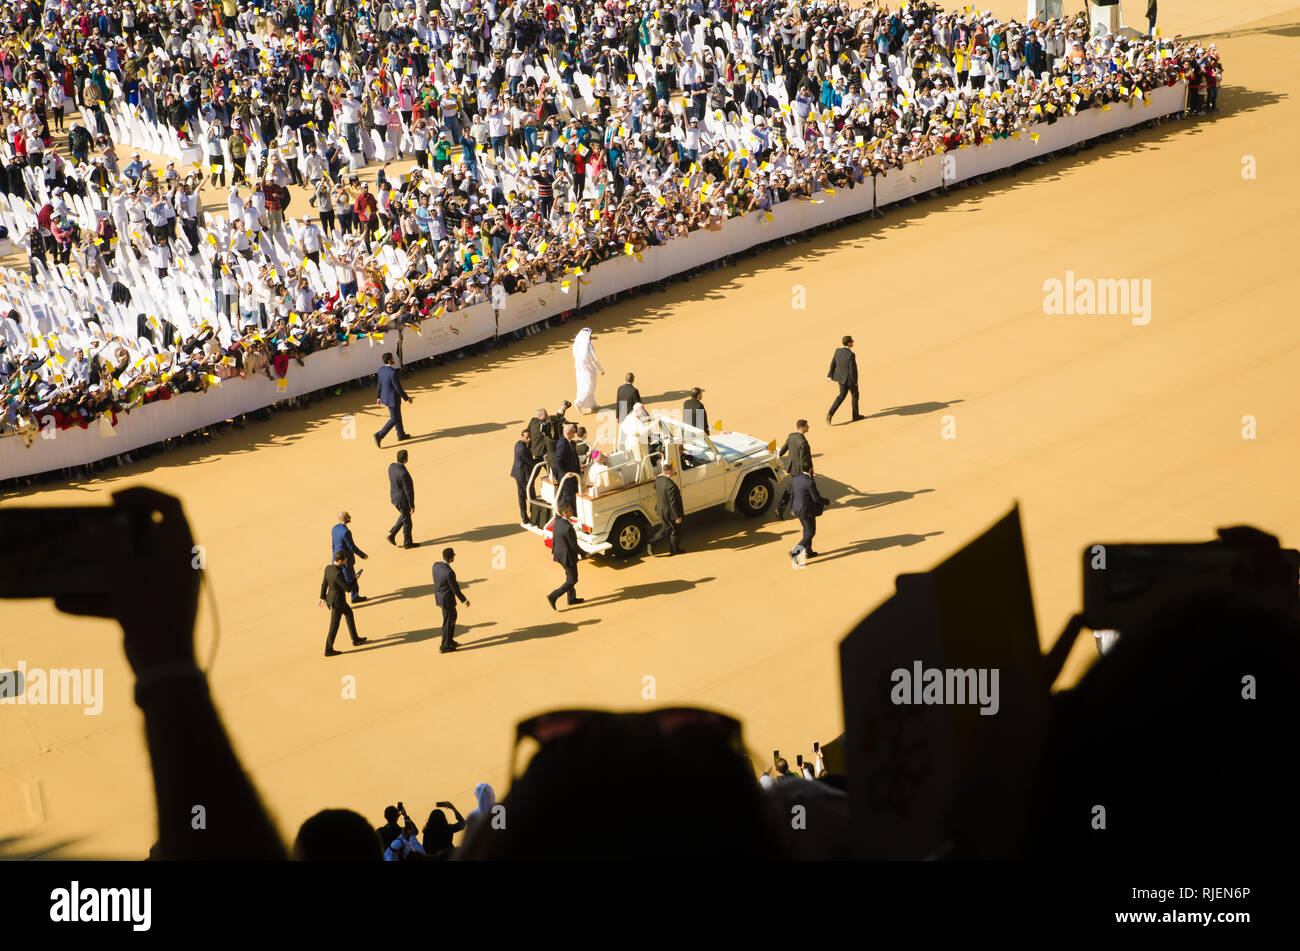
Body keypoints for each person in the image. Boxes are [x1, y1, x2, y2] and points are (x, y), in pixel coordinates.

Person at [319, 551, 368, 656]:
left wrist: (322, 597)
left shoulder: (328, 568)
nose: (346, 561)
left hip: (332, 599)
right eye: (345, 560)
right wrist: (354, 579)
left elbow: (324, 584)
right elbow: (348, 589)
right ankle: (328, 649)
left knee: (349, 614)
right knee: (334, 625)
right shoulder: (338, 573)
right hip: (338, 602)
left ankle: (355, 639)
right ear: (340, 561)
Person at [432, 547, 469, 653]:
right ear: (451, 557)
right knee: (448, 622)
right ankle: (444, 646)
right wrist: (465, 600)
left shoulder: (435, 565)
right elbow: (455, 589)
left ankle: (449, 640)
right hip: (447, 600)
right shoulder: (449, 572)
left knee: (452, 618)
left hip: (440, 597)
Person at [547, 504, 584, 610]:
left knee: (569, 576)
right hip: (567, 557)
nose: (572, 512)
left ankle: (571, 598)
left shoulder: (558, 523)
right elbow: (573, 545)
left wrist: (553, 552)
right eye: (569, 511)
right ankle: (553, 596)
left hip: (559, 555)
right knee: (573, 579)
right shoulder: (568, 527)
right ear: (564, 513)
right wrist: (584, 553)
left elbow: (554, 539)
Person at [790, 461, 827, 563]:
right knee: (811, 532)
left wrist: (792, 508)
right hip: (807, 511)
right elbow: (816, 498)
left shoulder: (796, 478)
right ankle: (796, 551)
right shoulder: (809, 482)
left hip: (798, 509)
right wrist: (826, 501)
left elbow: (792, 495)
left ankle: (808, 551)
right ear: (810, 469)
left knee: (806, 530)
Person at [374, 352, 414, 445]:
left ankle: (401, 435)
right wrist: (407, 398)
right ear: (389, 360)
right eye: (392, 358)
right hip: (393, 399)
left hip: (386, 397)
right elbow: (398, 388)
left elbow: (380, 384)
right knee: (394, 418)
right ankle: (379, 435)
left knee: (397, 416)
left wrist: (378, 397)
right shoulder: (393, 372)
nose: (393, 359)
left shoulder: (381, 370)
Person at [775, 420, 812, 520]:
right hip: (800, 471)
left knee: (793, 489)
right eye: (807, 426)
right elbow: (804, 459)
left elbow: (783, 449)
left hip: (792, 468)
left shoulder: (791, 436)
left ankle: (782, 509)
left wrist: (777, 457)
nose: (808, 427)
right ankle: (782, 509)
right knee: (803, 489)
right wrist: (807, 472)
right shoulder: (803, 442)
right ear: (802, 427)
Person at [330, 511, 369, 603]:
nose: (350, 517)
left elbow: (333, 544)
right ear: (345, 519)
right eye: (348, 516)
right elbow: (351, 547)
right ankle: (354, 597)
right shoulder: (346, 532)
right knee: (352, 580)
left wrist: (334, 555)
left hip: (336, 558)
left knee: (339, 579)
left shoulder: (334, 528)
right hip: (345, 561)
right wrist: (363, 555)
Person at [648, 461, 685, 556]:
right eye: (673, 471)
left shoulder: (658, 480)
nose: (674, 472)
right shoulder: (671, 486)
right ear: (668, 472)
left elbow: (655, 486)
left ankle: (672, 548)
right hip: (670, 512)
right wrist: (677, 516)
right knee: (673, 530)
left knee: (668, 529)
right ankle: (673, 549)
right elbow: (673, 503)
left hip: (661, 510)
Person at [826, 335, 863, 424]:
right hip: (850, 380)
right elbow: (852, 370)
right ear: (849, 343)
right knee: (855, 395)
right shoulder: (851, 354)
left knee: (841, 396)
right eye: (852, 341)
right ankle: (855, 416)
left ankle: (830, 414)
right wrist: (855, 381)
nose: (853, 342)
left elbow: (833, 363)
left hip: (841, 379)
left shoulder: (837, 351)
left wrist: (830, 374)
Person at [387, 449, 417, 548]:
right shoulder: (404, 473)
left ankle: (393, 533)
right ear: (405, 459)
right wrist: (411, 505)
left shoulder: (391, 467)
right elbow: (408, 491)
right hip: (402, 500)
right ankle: (407, 543)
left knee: (405, 515)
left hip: (394, 496)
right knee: (407, 522)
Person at [572, 327, 604, 413]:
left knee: (582, 385)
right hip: (589, 368)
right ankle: (579, 402)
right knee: (589, 387)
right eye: (590, 335)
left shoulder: (576, 344)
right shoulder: (588, 346)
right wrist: (601, 369)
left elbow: (575, 355)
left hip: (579, 368)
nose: (591, 337)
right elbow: (594, 360)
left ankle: (591, 404)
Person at [553, 423, 582, 513]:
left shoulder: (569, 442)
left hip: (571, 474)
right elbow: (558, 461)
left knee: (569, 495)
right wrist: (565, 473)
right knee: (568, 496)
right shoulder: (563, 443)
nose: (575, 433)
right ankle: (563, 513)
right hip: (566, 476)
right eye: (573, 432)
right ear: (568, 433)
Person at [511, 427, 535, 525]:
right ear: (522, 437)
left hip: (517, 473)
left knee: (521, 495)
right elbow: (531, 462)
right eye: (527, 437)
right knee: (530, 494)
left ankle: (524, 516)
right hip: (523, 475)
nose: (529, 439)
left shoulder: (518, 444)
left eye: (529, 437)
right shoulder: (522, 449)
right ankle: (533, 514)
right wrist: (542, 458)